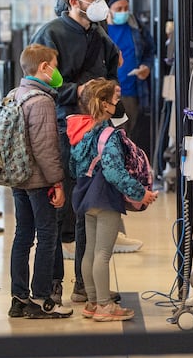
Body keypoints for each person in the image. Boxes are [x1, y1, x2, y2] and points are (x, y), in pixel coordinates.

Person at [30, 0, 121, 305]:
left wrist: (108, 92)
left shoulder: (98, 33)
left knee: (89, 205)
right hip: (59, 129)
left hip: (93, 131)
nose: (101, 3)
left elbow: (111, 67)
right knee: (57, 208)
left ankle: (85, 284)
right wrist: (75, 90)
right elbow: (37, 79)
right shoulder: (51, 33)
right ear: (74, 1)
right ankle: (53, 282)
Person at [68, 78, 158, 322]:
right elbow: (114, 171)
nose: (119, 104)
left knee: (89, 251)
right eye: (116, 100)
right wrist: (141, 193)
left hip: (85, 197)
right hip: (105, 198)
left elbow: (73, 165)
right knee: (103, 254)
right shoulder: (110, 135)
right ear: (106, 105)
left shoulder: (81, 132)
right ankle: (106, 306)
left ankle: (92, 300)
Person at [6, 43, 73, 320]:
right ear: (43, 67)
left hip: (17, 176)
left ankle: (18, 297)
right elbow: (46, 148)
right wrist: (57, 183)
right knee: (47, 236)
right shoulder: (42, 101)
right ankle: (42, 298)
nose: (57, 73)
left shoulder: (14, 95)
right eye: (55, 66)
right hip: (38, 180)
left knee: (22, 235)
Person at [106, 0, 153, 138]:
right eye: (118, 8)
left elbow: (149, 51)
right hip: (110, 94)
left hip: (132, 92)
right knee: (113, 138)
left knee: (130, 136)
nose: (123, 12)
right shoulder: (101, 31)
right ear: (108, 10)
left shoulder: (136, 27)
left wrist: (146, 66)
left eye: (126, 8)